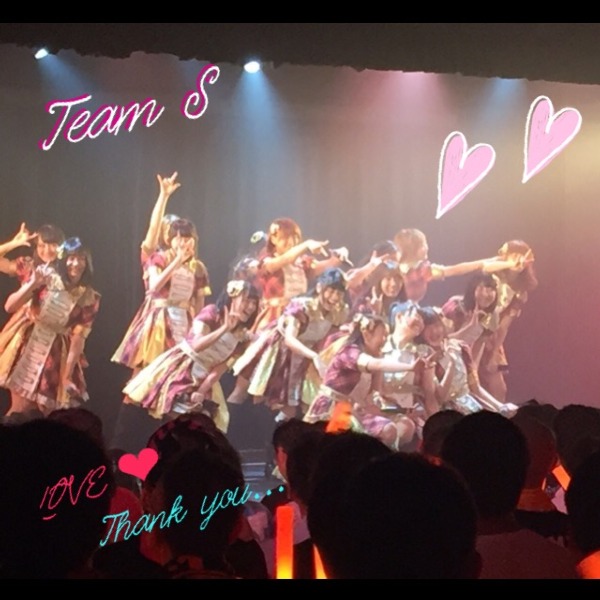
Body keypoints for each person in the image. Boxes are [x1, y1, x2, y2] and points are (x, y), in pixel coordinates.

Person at [123, 280, 259, 429]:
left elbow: (219, 369)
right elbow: (196, 346)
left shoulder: (242, 337)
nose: (251, 307)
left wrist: (200, 392)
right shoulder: (212, 312)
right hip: (184, 366)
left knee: (200, 422)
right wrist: (223, 329)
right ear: (232, 297)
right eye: (246, 300)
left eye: (254, 303)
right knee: (173, 415)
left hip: (205, 377)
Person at [232, 268, 350, 419]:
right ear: (320, 287)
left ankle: (275, 429)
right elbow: (289, 339)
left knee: (290, 406)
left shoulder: (339, 312)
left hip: (302, 356)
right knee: (250, 393)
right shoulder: (302, 306)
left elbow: (324, 340)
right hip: (276, 351)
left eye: (339, 293)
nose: (334, 297)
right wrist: (314, 357)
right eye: (331, 291)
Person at [0, 237, 100, 414]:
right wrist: (33, 283)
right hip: (28, 343)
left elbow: (78, 339)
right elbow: (9, 307)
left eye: (81, 259)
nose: (76, 263)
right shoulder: (45, 276)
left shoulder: (90, 297)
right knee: (20, 409)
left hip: (55, 353)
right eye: (71, 258)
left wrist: (67, 376)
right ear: (63, 259)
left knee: (47, 412)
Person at [304, 312, 421, 449]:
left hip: (354, 410)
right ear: (366, 334)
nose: (384, 340)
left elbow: (376, 395)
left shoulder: (374, 357)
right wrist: (410, 367)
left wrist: (398, 410)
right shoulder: (349, 352)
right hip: (332, 410)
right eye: (382, 335)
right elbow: (377, 364)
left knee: (397, 428)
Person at [111, 217, 211, 372]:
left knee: (180, 370)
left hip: (185, 321)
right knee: (149, 371)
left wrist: (197, 331)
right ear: (170, 240)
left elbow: (199, 303)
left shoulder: (198, 268)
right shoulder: (159, 258)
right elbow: (154, 286)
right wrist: (177, 261)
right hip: (160, 320)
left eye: (187, 239)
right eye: (179, 238)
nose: (183, 243)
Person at [415, 306, 517, 416]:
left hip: (470, 405)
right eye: (428, 329)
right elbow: (440, 397)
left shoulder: (459, 348)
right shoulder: (424, 359)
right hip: (447, 414)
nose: (434, 332)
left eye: (436, 326)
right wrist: (451, 365)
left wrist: (500, 406)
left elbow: (475, 387)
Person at [478, 240, 537, 401]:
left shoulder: (520, 291)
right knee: (467, 376)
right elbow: (485, 267)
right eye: (514, 255)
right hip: (472, 324)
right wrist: (508, 264)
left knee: (499, 388)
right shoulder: (494, 275)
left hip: (491, 333)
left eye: (522, 256)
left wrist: (494, 354)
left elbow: (504, 326)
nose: (518, 260)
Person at [0, 222, 64, 283]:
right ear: (36, 247)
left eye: (53, 245)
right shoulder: (26, 265)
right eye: (41, 246)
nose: (47, 251)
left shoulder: (68, 267)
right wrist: (14, 243)